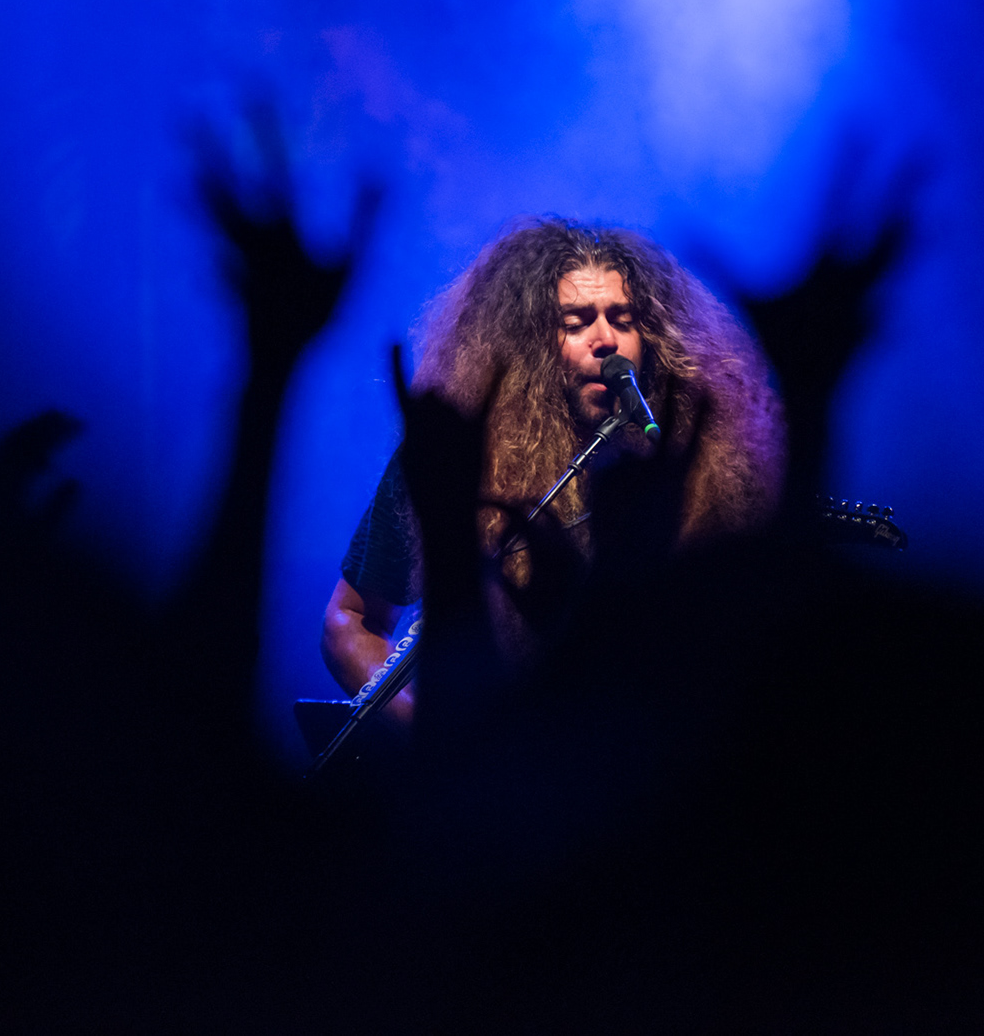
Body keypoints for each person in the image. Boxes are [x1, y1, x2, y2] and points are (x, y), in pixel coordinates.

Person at [318, 219, 785, 720]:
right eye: (576, 323)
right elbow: (350, 620)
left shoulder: (714, 470)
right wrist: (443, 740)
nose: (605, 340)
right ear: (532, 343)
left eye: (623, 320)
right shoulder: (457, 457)